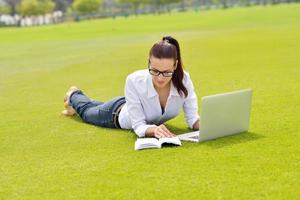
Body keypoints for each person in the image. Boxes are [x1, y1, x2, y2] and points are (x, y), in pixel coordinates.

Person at [62, 36, 200, 138]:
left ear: (175, 65)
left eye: (166, 72)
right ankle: (73, 95)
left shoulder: (184, 80)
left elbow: (193, 119)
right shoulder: (134, 80)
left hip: (131, 104)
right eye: (155, 71)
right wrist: (154, 130)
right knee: (87, 111)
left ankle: (75, 102)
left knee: (94, 105)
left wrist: (206, 125)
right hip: (115, 114)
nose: (160, 78)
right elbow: (139, 126)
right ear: (149, 62)